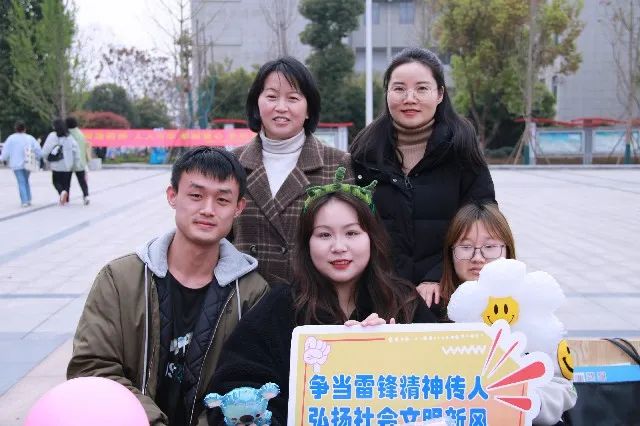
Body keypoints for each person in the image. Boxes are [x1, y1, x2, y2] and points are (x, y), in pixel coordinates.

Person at [205, 168, 436, 425]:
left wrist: (399, 350)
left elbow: (445, 377)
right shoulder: (280, 307)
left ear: (372, 238)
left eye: (352, 233)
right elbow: (236, 387)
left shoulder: (403, 302)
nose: (339, 247)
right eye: (324, 235)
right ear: (307, 243)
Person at [67, 147, 270, 426]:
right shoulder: (120, 279)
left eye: (222, 199)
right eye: (196, 195)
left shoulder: (252, 293)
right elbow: (92, 367)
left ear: (238, 208)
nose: (208, 209)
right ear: (172, 196)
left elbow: (249, 385)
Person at [349, 47, 495, 308]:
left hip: (448, 294)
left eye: (422, 89)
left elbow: (482, 222)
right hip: (378, 293)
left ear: (440, 94)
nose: (410, 98)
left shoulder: (461, 147)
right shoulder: (366, 150)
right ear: (387, 93)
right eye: (399, 88)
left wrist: (439, 275)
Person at [439, 201, 576, 425]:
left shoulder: (534, 309)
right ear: (451, 253)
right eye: (465, 246)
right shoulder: (433, 311)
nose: (477, 257)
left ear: (507, 250)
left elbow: (564, 388)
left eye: (490, 247)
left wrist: (527, 402)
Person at [232, 56, 352, 284]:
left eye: (293, 98)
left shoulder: (338, 164)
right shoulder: (232, 164)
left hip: (314, 294)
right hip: (245, 294)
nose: (281, 107)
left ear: (308, 109)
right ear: (257, 103)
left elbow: (351, 238)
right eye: (271, 96)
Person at [0, 120, 42, 207]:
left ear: (15, 128)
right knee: (26, 180)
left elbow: (5, 152)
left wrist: (2, 158)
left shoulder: (11, 138)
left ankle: (24, 200)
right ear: (25, 128)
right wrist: (38, 158)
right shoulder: (30, 138)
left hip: (16, 164)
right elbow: (38, 149)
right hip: (28, 163)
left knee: (21, 181)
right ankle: (28, 198)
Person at [42, 118, 80, 205]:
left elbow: (46, 149)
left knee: (56, 181)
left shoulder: (52, 136)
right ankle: (66, 199)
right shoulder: (69, 136)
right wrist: (76, 162)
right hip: (68, 164)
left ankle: (61, 192)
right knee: (67, 183)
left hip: (56, 164)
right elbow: (76, 150)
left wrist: (44, 158)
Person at [66, 116, 91, 205]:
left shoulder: (67, 134)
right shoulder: (80, 133)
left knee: (67, 182)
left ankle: (66, 198)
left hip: (69, 162)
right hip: (81, 162)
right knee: (82, 181)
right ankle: (86, 195)